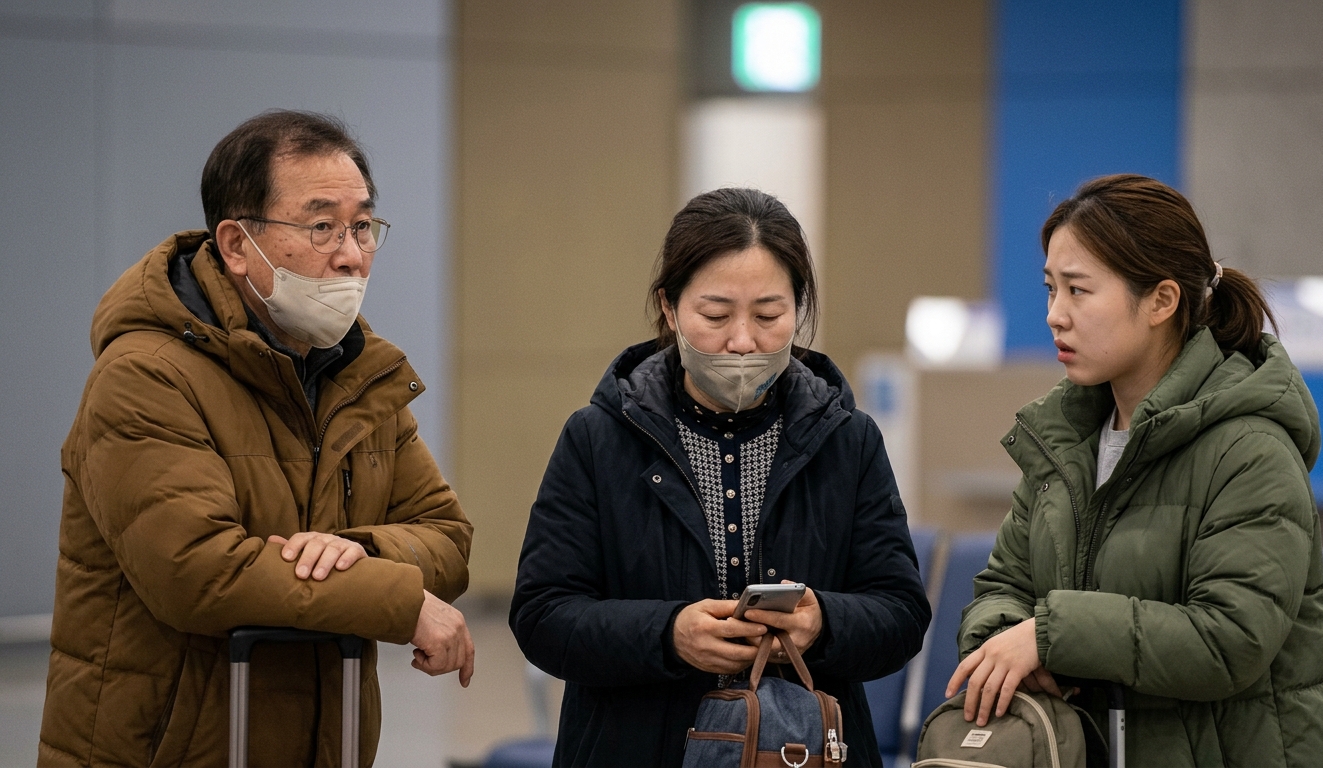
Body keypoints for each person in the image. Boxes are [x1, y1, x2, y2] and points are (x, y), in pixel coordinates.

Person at [40, 110, 475, 767]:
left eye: (362, 226)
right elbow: (196, 571)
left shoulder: (359, 375)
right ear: (237, 245)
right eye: (321, 226)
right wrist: (398, 599)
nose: (351, 254)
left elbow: (445, 534)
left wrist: (357, 550)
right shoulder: (145, 375)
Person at [511, 187, 932, 767]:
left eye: (768, 316)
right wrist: (669, 634)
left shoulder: (847, 439)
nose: (742, 342)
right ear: (669, 309)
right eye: (715, 316)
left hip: (801, 751)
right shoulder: (599, 438)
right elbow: (542, 616)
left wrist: (823, 623)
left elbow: (902, 613)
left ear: (798, 308)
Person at [947, 174, 1323, 765]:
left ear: (1161, 300)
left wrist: (1048, 637)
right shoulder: (1064, 442)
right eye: (1051, 289)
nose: (1055, 315)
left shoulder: (1251, 448)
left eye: (1078, 291)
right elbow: (1003, 587)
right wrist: (1004, 643)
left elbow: (1229, 640)